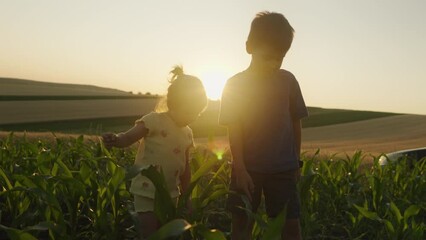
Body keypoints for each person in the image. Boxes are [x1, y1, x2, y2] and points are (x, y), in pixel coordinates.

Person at [219, 11, 308, 240]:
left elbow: (295, 123)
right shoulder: (234, 85)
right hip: (247, 169)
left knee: (290, 227)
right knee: (241, 224)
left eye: (279, 59)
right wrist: (239, 168)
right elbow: (234, 128)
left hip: (284, 170)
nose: (273, 64)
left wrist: (296, 163)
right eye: (267, 57)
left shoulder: (288, 81)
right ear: (249, 47)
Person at [102, 66, 208, 238]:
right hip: (147, 191)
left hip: (170, 194)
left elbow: (185, 167)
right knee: (149, 233)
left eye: (197, 114)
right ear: (174, 103)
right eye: (189, 111)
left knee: (165, 234)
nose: (192, 117)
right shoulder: (154, 120)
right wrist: (115, 139)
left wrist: (186, 196)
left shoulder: (188, 133)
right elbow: (128, 138)